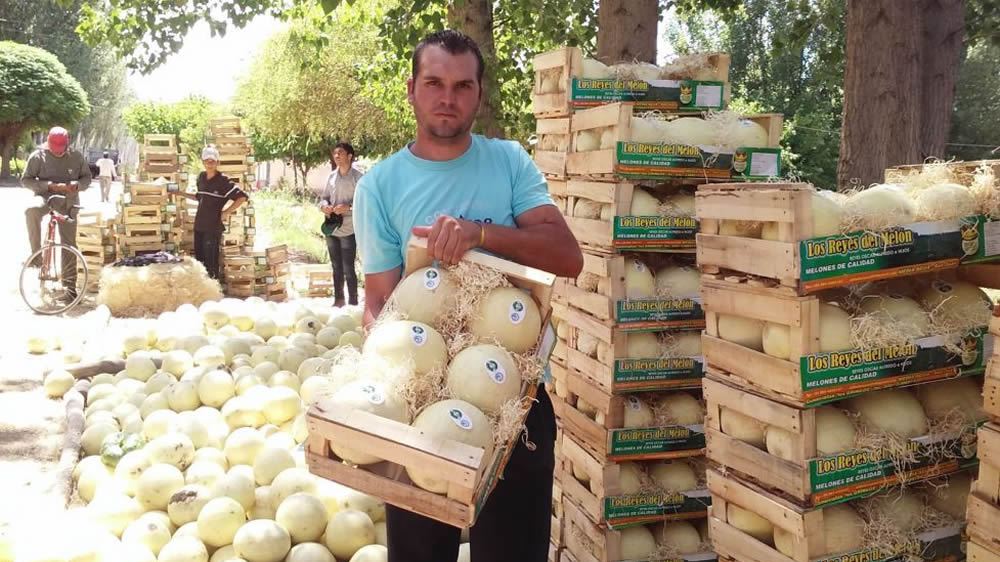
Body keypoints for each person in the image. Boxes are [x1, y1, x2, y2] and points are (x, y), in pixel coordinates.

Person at [353, 29, 583, 562]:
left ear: (479, 95)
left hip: (513, 408)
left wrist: (481, 234)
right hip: (423, 414)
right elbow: (378, 299)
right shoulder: (380, 186)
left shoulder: (507, 162)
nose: (447, 97)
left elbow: (567, 255)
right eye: (434, 82)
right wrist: (384, 361)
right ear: (411, 89)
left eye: (462, 85)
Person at [22, 127, 92, 300]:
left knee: (69, 244)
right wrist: (49, 186)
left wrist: (77, 185)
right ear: (48, 143)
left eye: (61, 149)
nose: (58, 152)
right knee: (31, 211)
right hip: (46, 197)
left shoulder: (76, 157)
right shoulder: (38, 157)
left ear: (67, 143)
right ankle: (36, 256)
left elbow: (87, 178)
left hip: (68, 200)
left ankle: (70, 289)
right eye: (55, 149)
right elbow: (26, 180)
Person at [177, 146, 248, 279]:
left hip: (213, 226)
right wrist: (180, 193)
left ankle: (213, 285)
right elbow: (199, 196)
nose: (210, 163)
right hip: (199, 225)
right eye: (207, 160)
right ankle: (202, 285)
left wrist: (226, 211)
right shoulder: (201, 178)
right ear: (203, 162)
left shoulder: (223, 181)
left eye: (212, 161)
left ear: (217, 162)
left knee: (211, 258)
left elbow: (242, 197)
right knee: (200, 258)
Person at [319, 142, 363, 307]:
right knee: (335, 266)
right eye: (335, 153)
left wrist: (348, 207)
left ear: (350, 156)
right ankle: (338, 300)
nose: (336, 156)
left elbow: (365, 201)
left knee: (348, 267)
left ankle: (353, 302)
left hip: (349, 228)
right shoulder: (331, 177)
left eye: (340, 153)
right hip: (331, 227)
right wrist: (324, 206)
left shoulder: (359, 178)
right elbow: (324, 197)